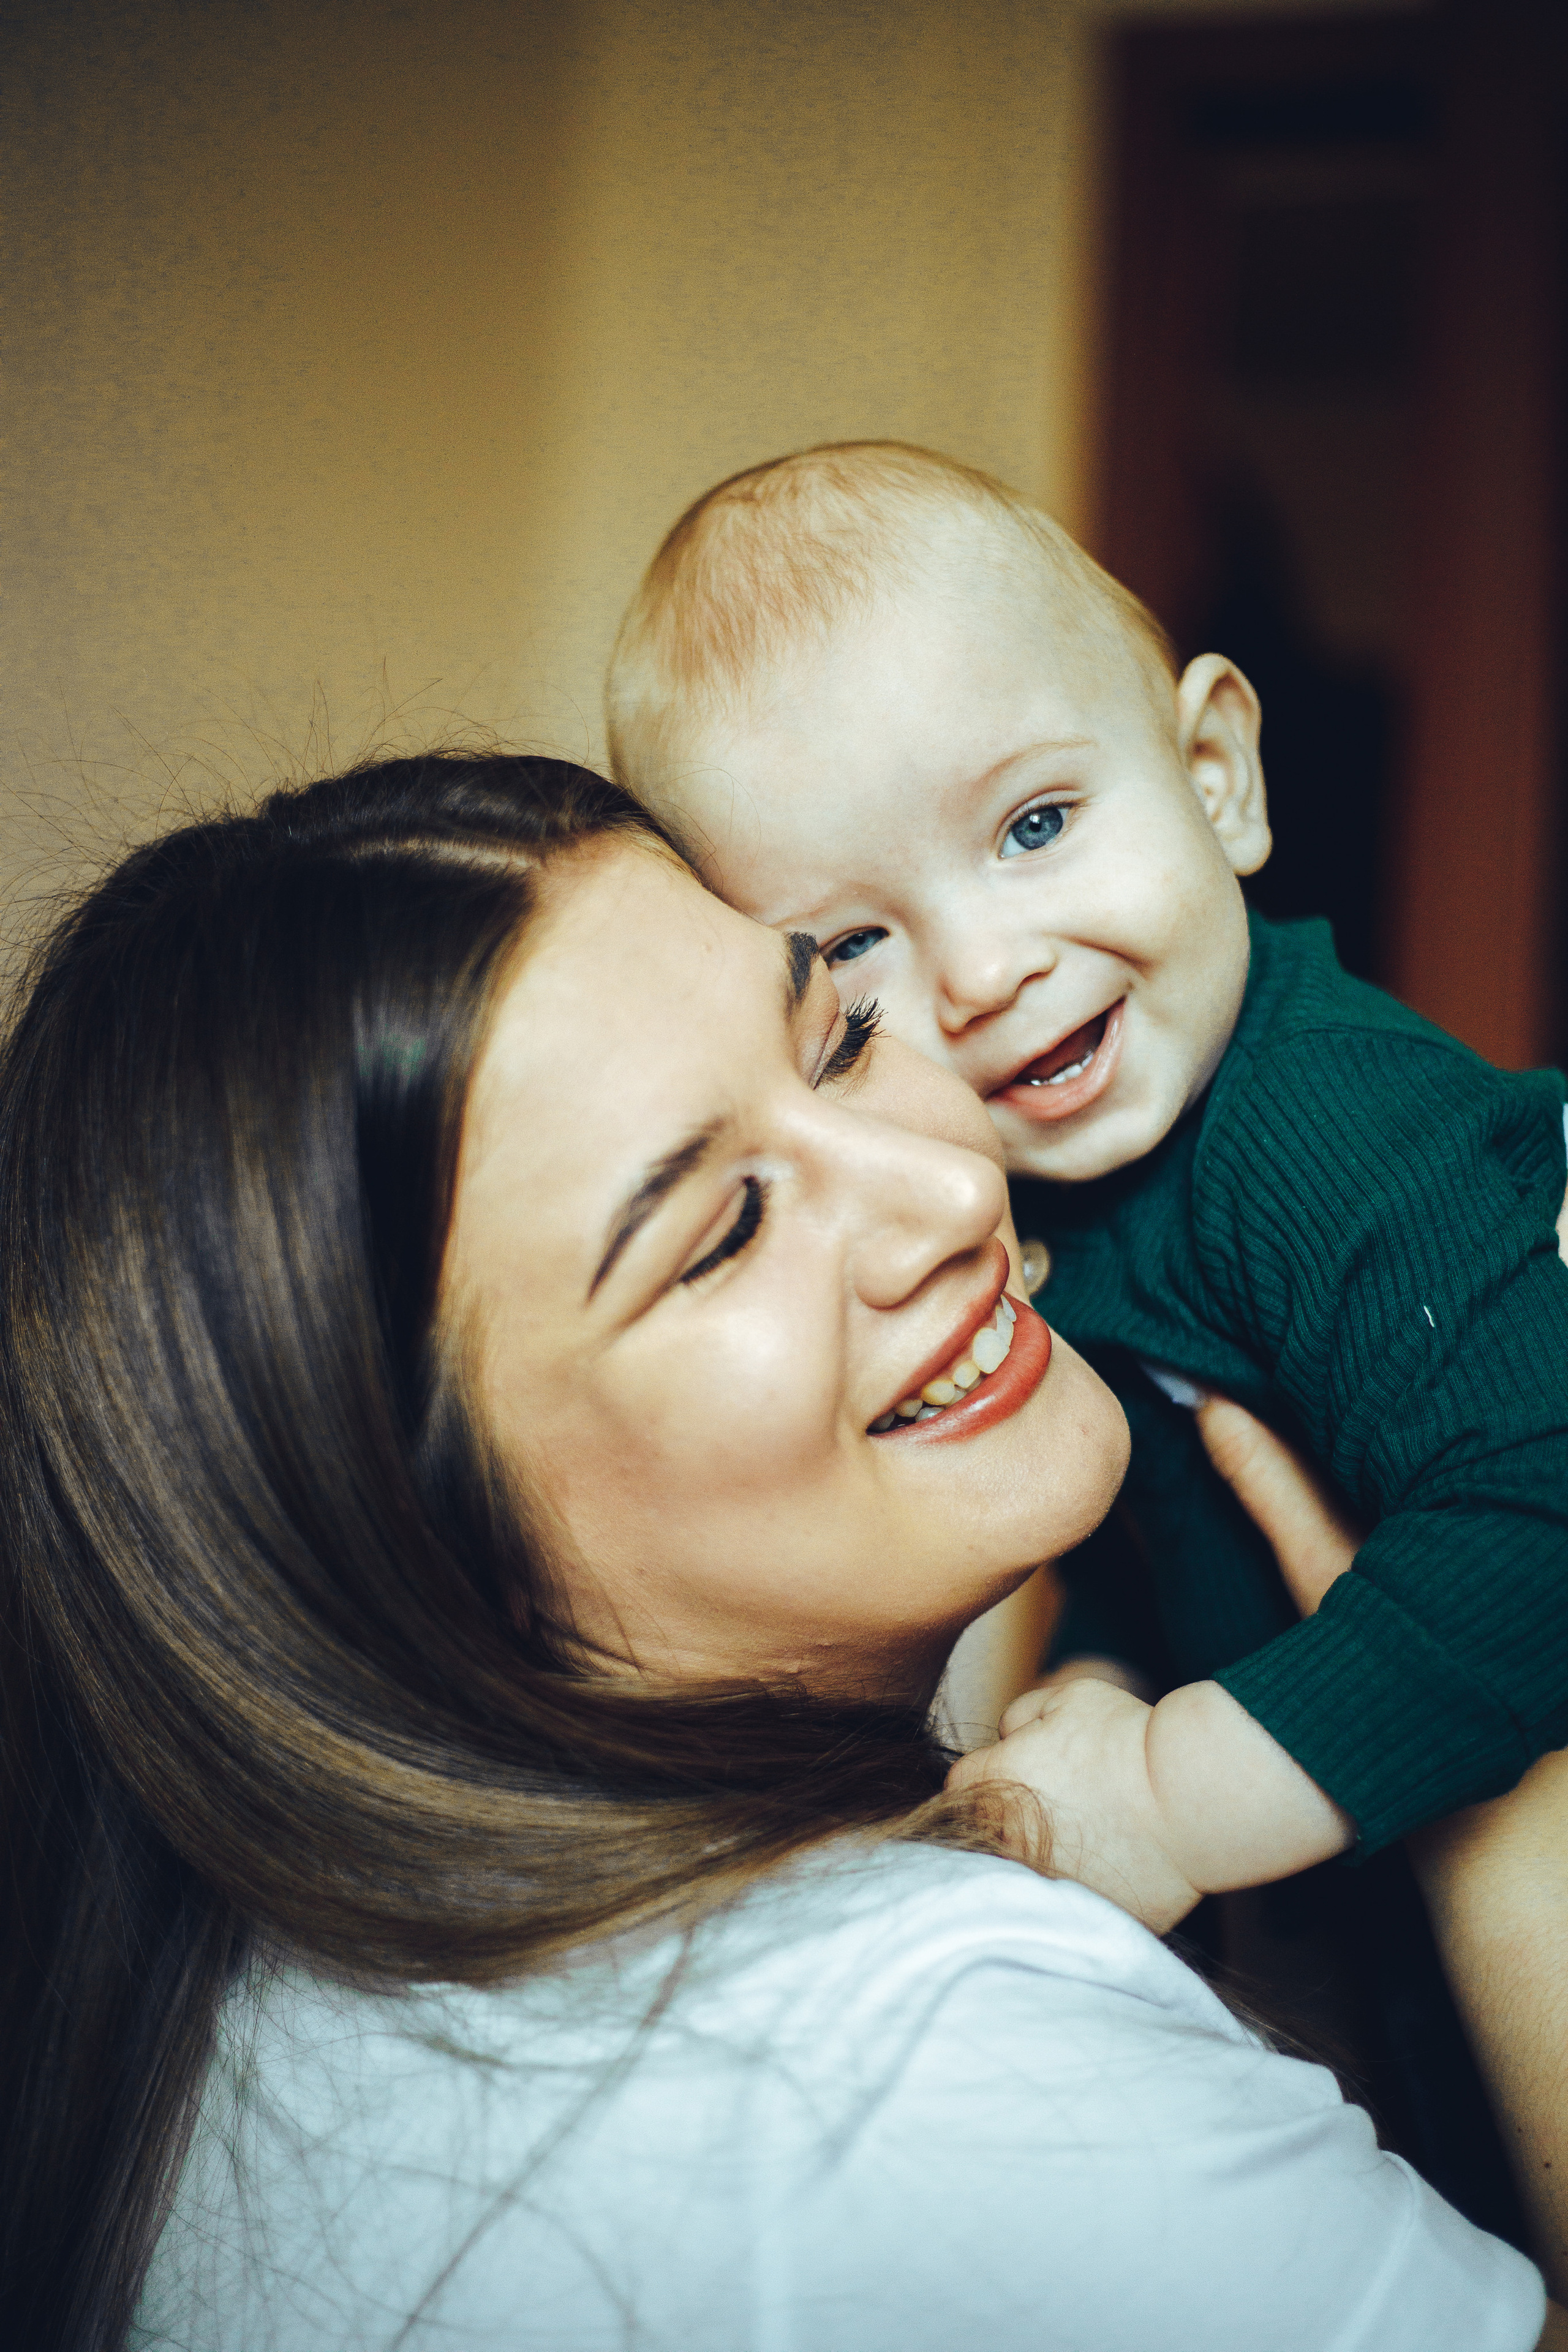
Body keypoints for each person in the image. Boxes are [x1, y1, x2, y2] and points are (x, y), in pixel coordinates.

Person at [1, 750, 1554, 2351]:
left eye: (845, 1035)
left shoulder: (244, 2039)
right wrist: (1475, 1746)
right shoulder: (903, 2067)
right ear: (409, 1554)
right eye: (724, 1232)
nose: (954, 1186)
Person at [603, 437, 1568, 1972]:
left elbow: (1539, 1507)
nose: (985, 974)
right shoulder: (1034, 1214)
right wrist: (1107, 1683)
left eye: (1033, 826)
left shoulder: (1325, 1126)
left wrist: (1173, 1802)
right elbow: (1166, 1545)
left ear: (1216, 780)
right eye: (854, 945)